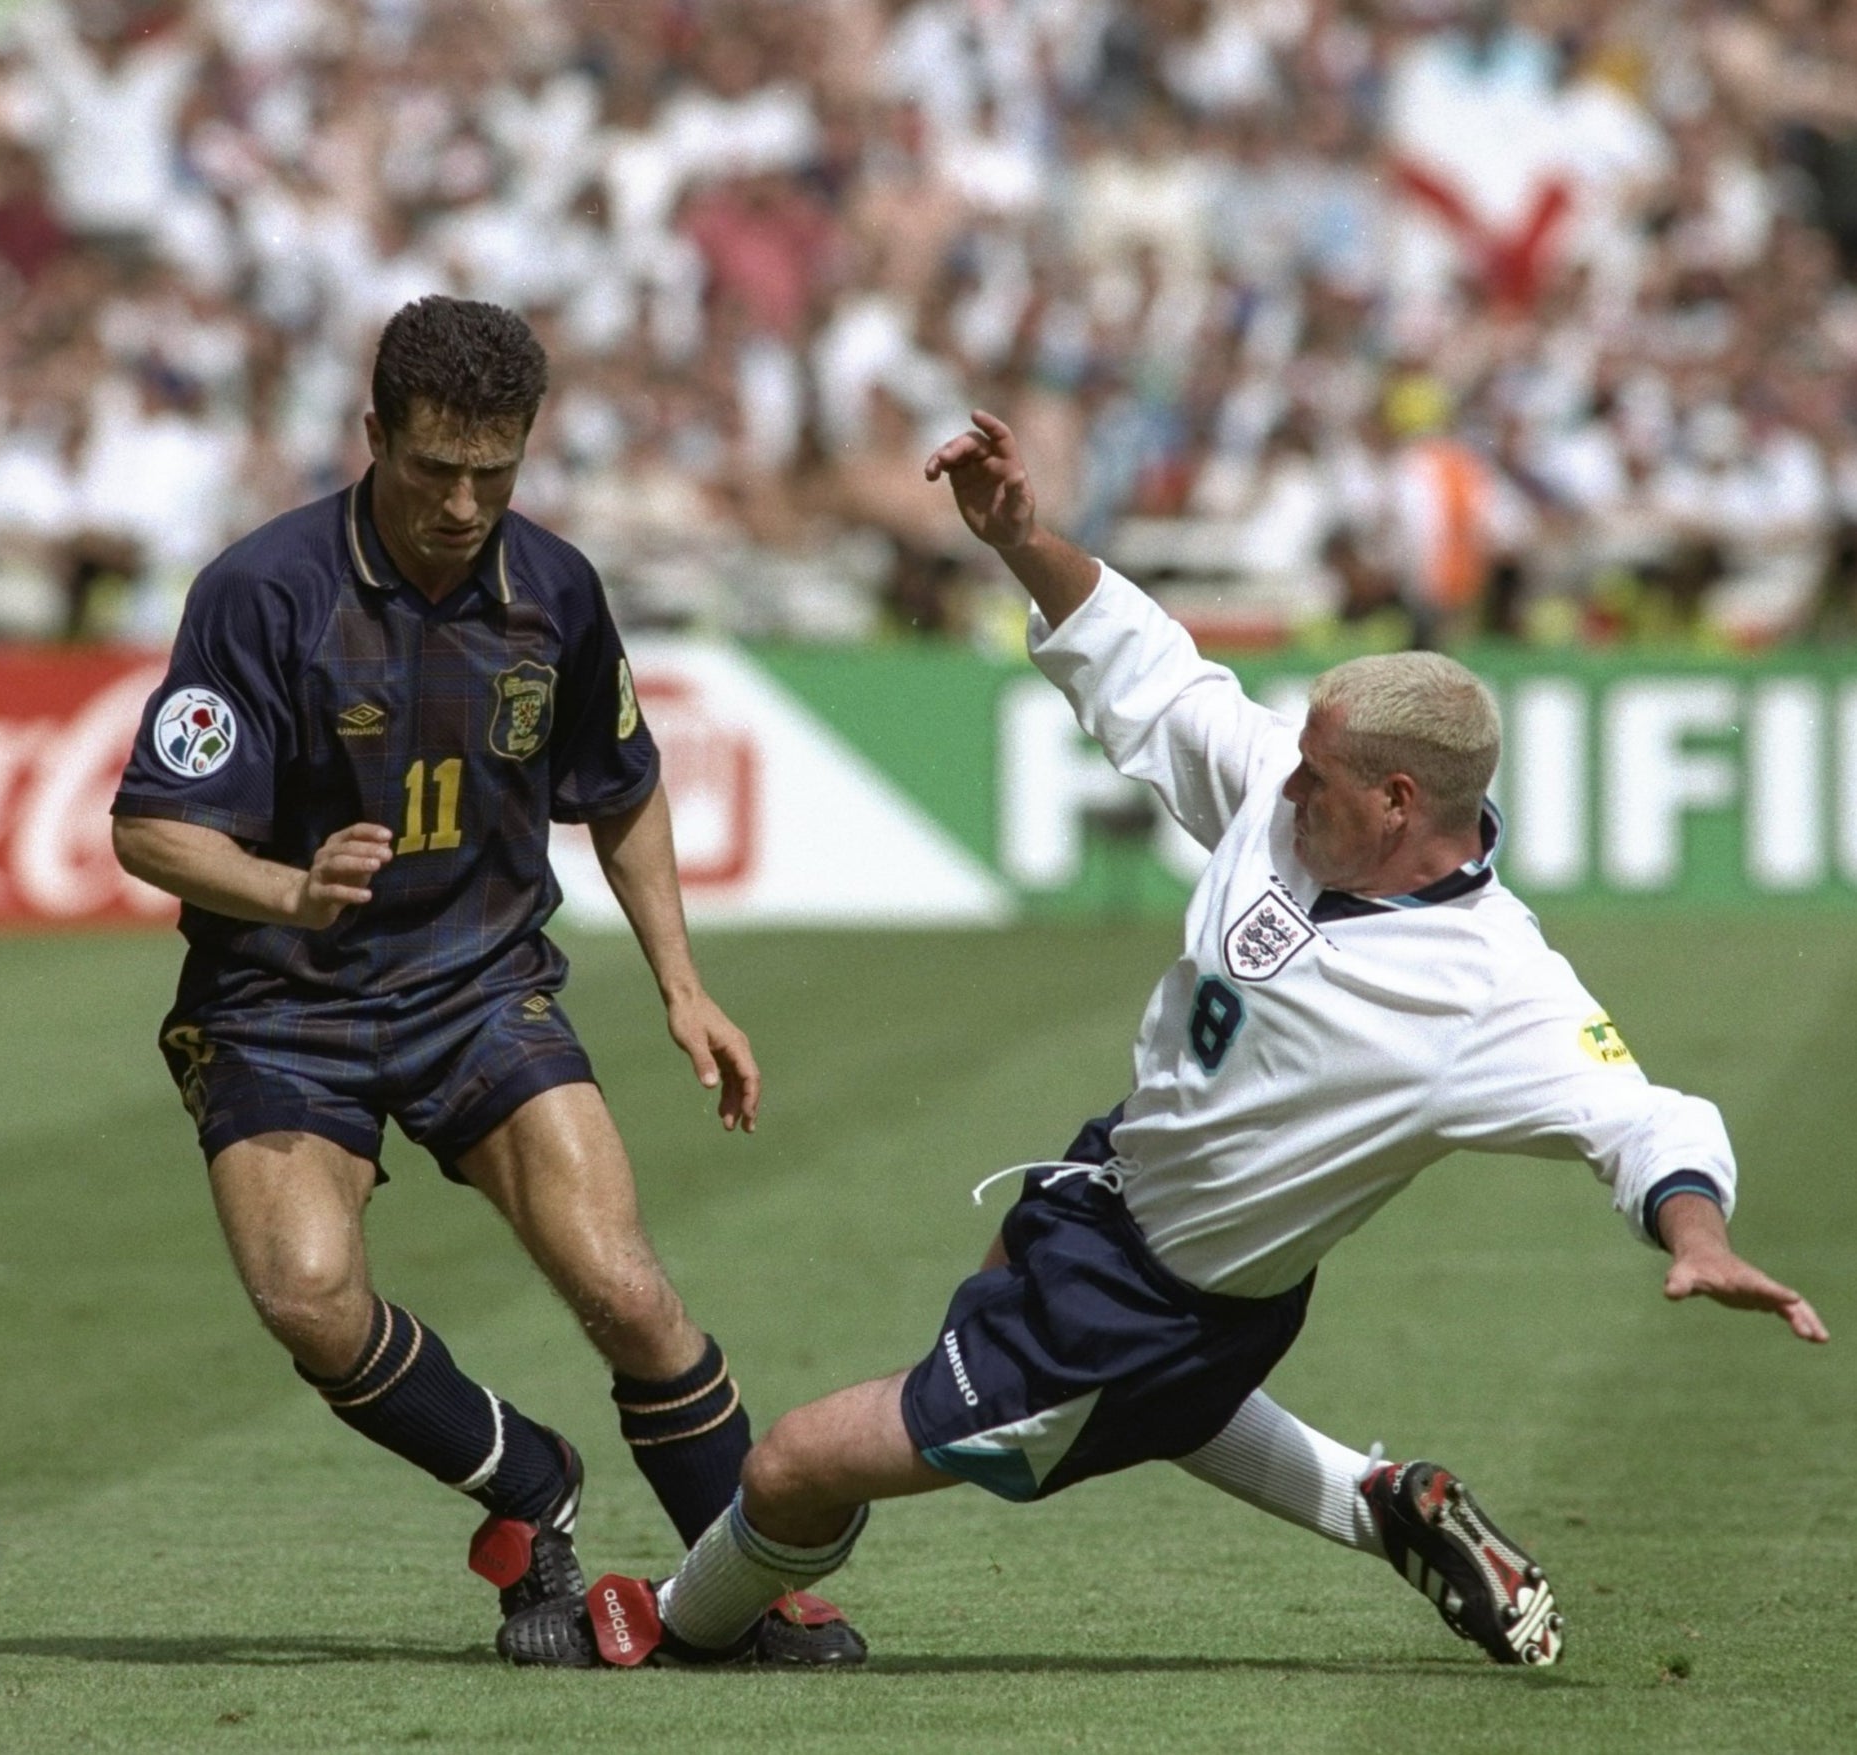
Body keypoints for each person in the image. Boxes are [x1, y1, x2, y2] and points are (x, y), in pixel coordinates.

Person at [497, 410, 1830, 1671]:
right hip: (1112, 1189)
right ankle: (1382, 1505)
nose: (1283, 777)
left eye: (1316, 772)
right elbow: (1143, 661)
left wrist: (1694, 1236)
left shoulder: (1492, 990)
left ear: (1397, 800)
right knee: (1115, 1366)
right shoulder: (1284, 795)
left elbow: (1643, 1116)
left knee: (791, 1461)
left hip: (1142, 1313)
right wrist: (1017, 533)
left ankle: (688, 1625)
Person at [109, 296, 863, 1664]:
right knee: (306, 1299)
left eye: (494, 472)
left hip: (479, 985)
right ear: (373, 437)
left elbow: (623, 791)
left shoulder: (556, 590)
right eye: (433, 469)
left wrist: (681, 985)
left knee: (627, 1293)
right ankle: (527, 1485)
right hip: (281, 1003)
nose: (464, 504)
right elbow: (149, 824)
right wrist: (289, 889)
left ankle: (744, 1597)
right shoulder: (261, 591)